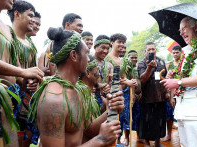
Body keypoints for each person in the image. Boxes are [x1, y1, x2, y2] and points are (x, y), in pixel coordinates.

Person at [28, 27, 124, 146]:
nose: (89, 60)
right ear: (74, 55)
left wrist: (110, 109)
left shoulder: (77, 90)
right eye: (86, 54)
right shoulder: (54, 100)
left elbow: (88, 129)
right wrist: (101, 139)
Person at [160, 16, 197, 147]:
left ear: (195, 27)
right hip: (182, 110)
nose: (181, 33)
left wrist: (178, 82)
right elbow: (188, 74)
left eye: (184, 28)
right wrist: (174, 74)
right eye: (180, 30)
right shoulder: (186, 52)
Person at [7, 1, 40, 146]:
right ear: (17, 14)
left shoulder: (31, 44)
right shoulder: (7, 36)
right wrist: (22, 77)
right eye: (30, 15)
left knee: (26, 134)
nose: (33, 19)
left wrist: (34, 81)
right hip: (10, 96)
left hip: (28, 98)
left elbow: (32, 70)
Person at [138, 42, 167, 147]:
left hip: (160, 97)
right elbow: (143, 79)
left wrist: (167, 93)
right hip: (147, 98)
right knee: (146, 122)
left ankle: (157, 143)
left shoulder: (161, 61)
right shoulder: (142, 63)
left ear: (156, 50)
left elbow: (165, 77)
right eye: (149, 49)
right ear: (145, 51)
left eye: (153, 49)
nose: (151, 51)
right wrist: (149, 68)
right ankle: (147, 143)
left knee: (159, 120)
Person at [161, 45, 181, 142]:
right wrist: (167, 93)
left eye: (177, 52)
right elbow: (166, 79)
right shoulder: (169, 65)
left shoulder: (184, 63)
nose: (175, 54)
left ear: (181, 52)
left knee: (181, 114)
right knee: (169, 115)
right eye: (174, 52)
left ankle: (182, 134)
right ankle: (168, 134)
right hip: (171, 92)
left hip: (181, 91)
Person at [93, 35, 113, 112]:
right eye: (103, 47)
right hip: (91, 100)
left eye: (107, 48)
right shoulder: (87, 63)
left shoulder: (109, 65)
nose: (105, 51)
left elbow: (112, 83)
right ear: (95, 47)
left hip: (106, 99)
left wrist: (109, 87)